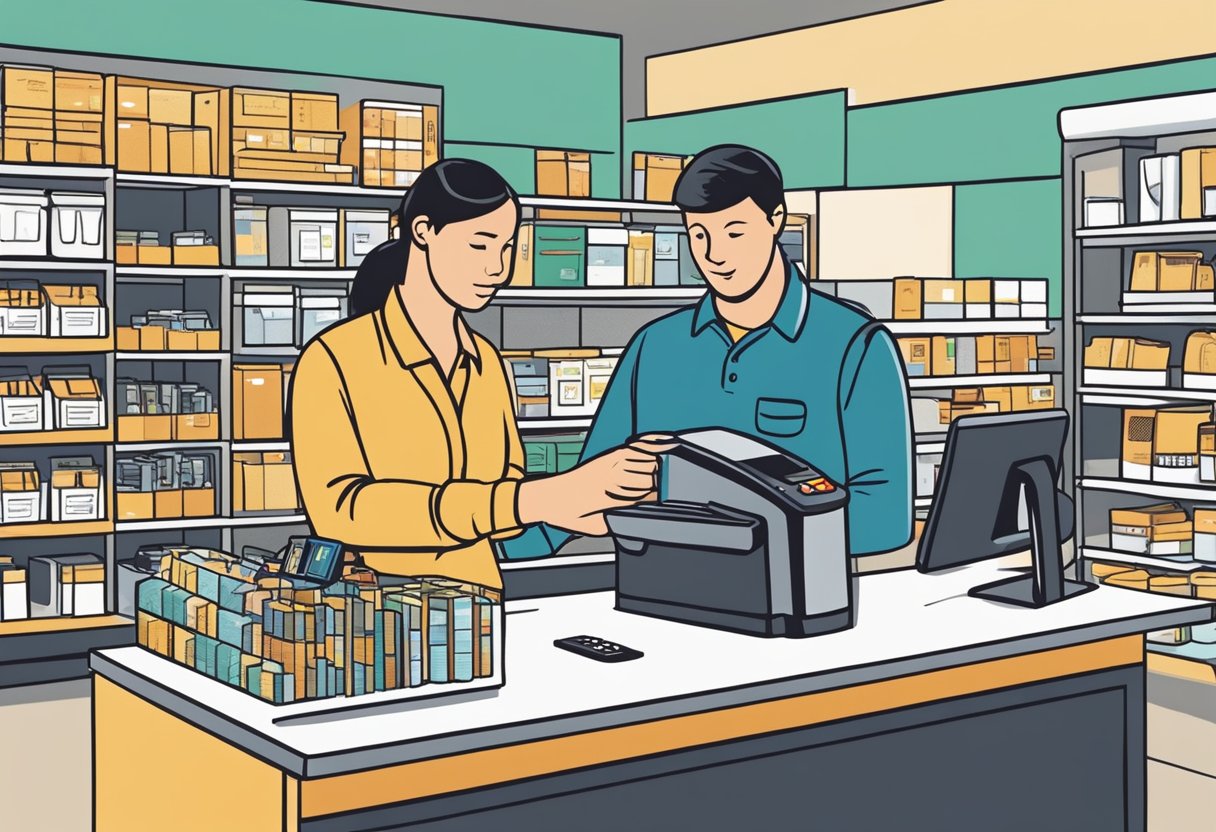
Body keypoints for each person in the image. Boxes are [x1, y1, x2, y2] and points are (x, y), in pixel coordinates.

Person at [503, 144, 913, 560]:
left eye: (734, 232)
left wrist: (722, 528)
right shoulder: (654, 346)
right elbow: (587, 493)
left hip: (795, 599)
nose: (715, 255)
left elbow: (882, 518)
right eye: (699, 235)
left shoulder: (857, 346)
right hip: (664, 594)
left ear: (775, 221)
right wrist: (500, 547)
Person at [289, 159, 670, 589]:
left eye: (508, 248)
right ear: (423, 232)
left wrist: (570, 508)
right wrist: (536, 499)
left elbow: (503, 499)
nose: (498, 269)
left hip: (480, 604)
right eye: (480, 245)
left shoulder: (485, 361)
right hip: (379, 609)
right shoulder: (332, 360)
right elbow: (342, 511)